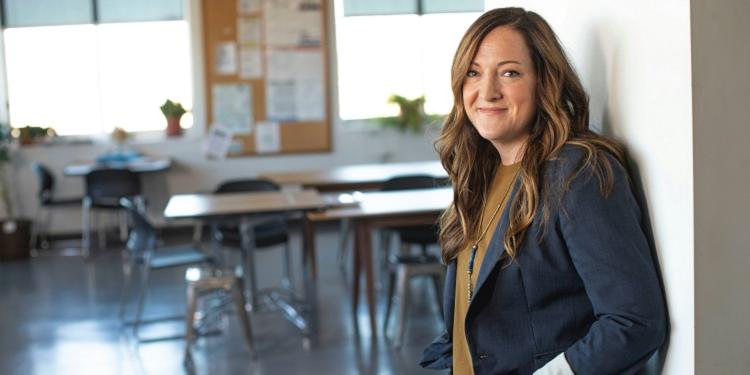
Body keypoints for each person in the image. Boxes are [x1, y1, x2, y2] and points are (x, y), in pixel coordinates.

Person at [420, 7, 666, 375]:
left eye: (509, 72)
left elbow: (634, 321)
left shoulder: (577, 172)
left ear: (542, 81)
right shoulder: (480, 173)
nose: (487, 91)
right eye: (474, 72)